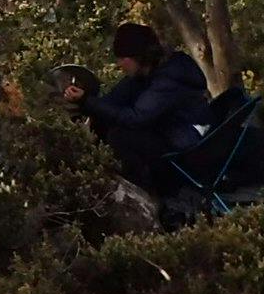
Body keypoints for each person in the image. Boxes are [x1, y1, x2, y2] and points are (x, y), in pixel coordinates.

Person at [85, 21, 211, 192]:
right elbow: (115, 100)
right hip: (169, 133)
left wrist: (88, 101)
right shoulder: (147, 74)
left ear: (137, 57)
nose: (119, 64)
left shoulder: (170, 78)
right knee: (105, 122)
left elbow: (137, 118)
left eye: (123, 59)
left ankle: (147, 191)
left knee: (120, 136)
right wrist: (88, 103)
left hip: (185, 146)